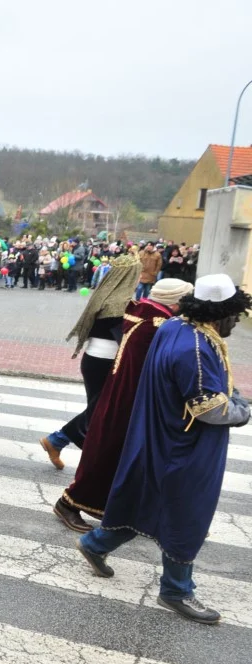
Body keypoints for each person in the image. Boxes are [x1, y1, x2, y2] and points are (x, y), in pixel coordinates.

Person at [77, 274, 252, 625]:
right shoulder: (196, 349)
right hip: (185, 446)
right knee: (186, 515)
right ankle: (175, 589)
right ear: (219, 313)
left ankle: (96, 544)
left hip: (160, 435)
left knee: (148, 501)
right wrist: (243, 410)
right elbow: (211, 409)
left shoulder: (175, 326)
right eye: (234, 314)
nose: (235, 322)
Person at [55, 278, 193, 532]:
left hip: (123, 397)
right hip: (129, 402)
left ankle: (138, 514)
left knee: (133, 461)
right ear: (175, 303)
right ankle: (69, 503)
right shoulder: (156, 325)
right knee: (107, 455)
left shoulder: (143, 310)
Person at [40, 255, 140, 469]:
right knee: (103, 409)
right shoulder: (119, 303)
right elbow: (126, 336)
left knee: (100, 410)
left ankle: (76, 447)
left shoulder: (106, 295)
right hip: (106, 363)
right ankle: (61, 441)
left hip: (95, 360)